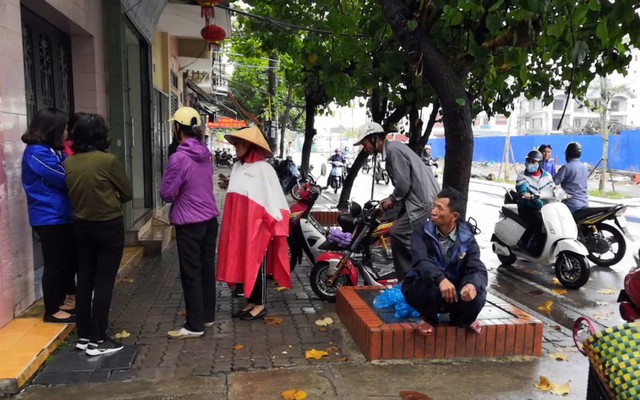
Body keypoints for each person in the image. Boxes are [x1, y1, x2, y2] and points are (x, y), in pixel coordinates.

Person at [65, 113, 133, 356]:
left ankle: (83, 335)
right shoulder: (107, 161)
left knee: (84, 280)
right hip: (108, 226)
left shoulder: (69, 162)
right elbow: (126, 192)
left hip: (81, 226)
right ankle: (99, 338)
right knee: (104, 282)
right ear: (101, 135)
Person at [216, 126, 290, 321]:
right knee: (244, 262)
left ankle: (260, 304)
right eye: (236, 143)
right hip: (241, 226)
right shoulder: (238, 167)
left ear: (251, 145)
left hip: (259, 227)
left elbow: (274, 199)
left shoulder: (264, 169)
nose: (236, 147)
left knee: (258, 265)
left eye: (240, 143)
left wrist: (274, 224)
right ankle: (250, 301)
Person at [354, 122, 440, 281]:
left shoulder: (393, 150)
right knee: (395, 229)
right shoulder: (392, 150)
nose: (364, 148)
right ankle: (409, 277)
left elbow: (403, 184)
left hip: (422, 203)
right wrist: (388, 206)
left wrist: (392, 199)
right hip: (417, 201)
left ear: (374, 138)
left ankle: (423, 271)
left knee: (398, 233)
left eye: (364, 143)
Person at [161, 107, 220, 339]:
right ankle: (207, 316)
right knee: (206, 269)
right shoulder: (205, 153)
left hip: (189, 222)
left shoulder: (179, 158)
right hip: (209, 220)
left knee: (190, 272)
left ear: (177, 128)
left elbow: (166, 193)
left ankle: (194, 325)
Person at [402, 188, 487, 336]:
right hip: (432, 288)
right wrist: (440, 279)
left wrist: (471, 284)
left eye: (439, 208)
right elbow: (421, 260)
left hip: (455, 292)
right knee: (417, 285)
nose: (433, 212)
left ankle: (463, 319)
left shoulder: (467, 238)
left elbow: (476, 267)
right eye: (434, 206)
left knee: (477, 293)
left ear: (454, 216)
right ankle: (428, 318)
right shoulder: (421, 231)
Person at [21, 107, 77, 323]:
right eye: (63, 129)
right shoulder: (37, 152)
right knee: (54, 264)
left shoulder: (52, 150)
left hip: (61, 215)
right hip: (48, 217)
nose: (66, 134)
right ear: (53, 129)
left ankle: (62, 301)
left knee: (65, 262)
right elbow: (64, 178)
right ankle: (51, 310)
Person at [515, 149, 555, 254]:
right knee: (538, 222)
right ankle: (523, 243)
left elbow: (553, 188)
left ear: (539, 163)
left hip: (544, 207)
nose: (529, 164)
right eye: (528, 161)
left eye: (533, 162)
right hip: (527, 207)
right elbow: (521, 187)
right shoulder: (522, 175)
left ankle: (540, 245)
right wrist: (525, 194)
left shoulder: (547, 176)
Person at [554, 142, 589, 214]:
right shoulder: (584, 167)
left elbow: (553, 182)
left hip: (571, 204)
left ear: (567, 153)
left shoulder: (566, 167)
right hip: (584, 202)